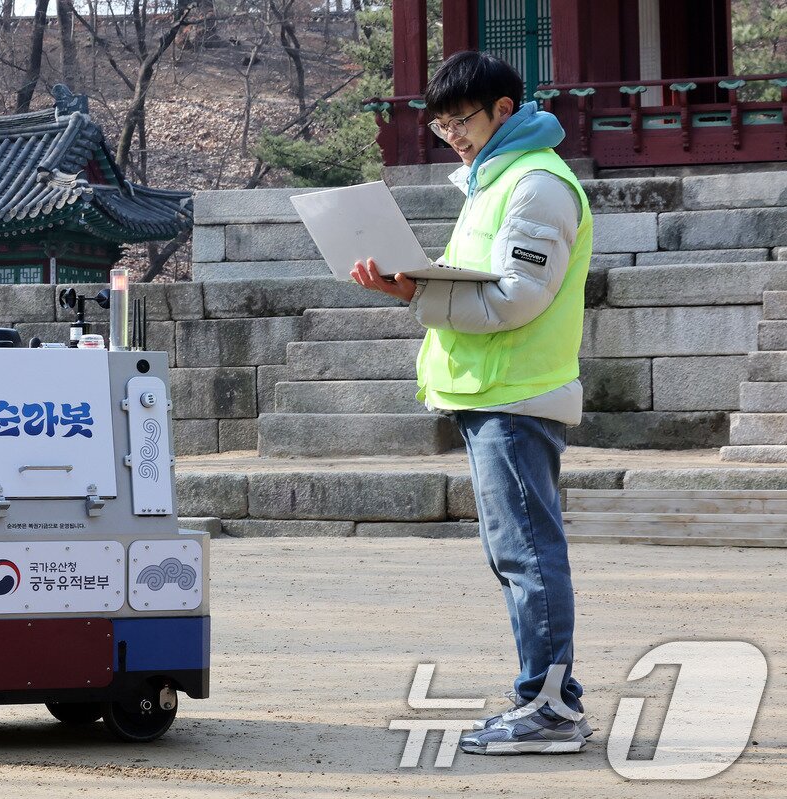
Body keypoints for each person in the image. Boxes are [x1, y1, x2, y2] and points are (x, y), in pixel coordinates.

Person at [348, 51, 593, 755]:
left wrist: (417, 293)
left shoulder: (535, 184)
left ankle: (550, 708)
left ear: (504, 112)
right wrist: (410, 285)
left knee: (528, 556)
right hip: (495, 393)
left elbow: (517, 298)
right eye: (441, 124)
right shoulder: (492, 182)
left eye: (462, 119)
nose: (451, 133)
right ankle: (546, 701)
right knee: (517, 553)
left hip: (516, 395)